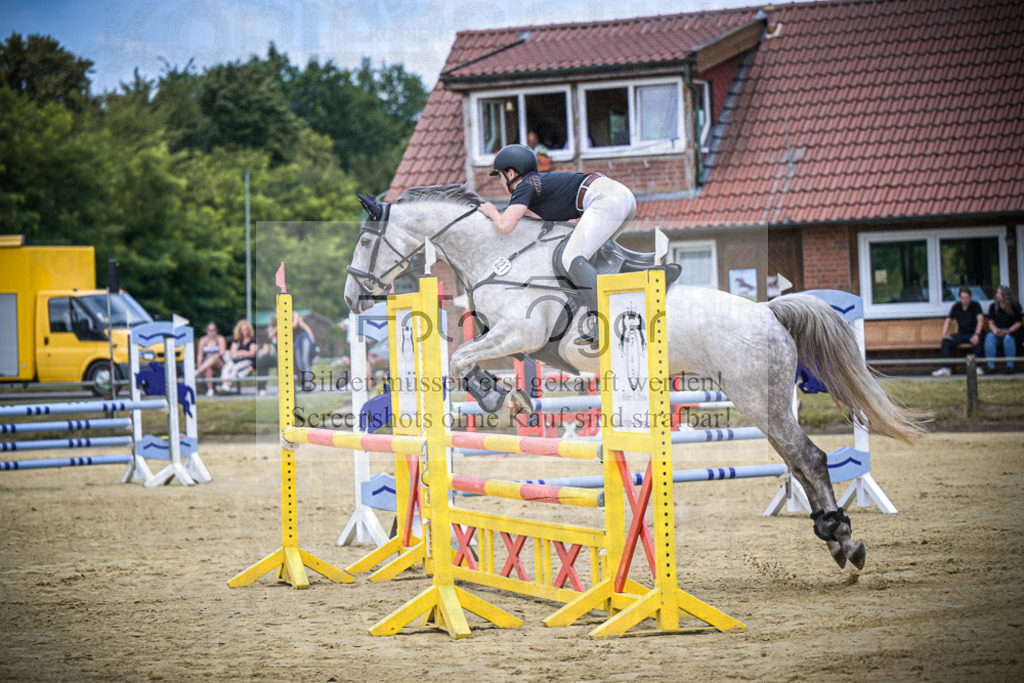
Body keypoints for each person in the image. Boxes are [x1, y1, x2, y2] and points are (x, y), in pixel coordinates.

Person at [477, 143, 637, 348]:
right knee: (592, 258)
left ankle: (602, 322)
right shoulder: (538, 184)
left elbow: (505, 226)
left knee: (572, 258)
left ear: (511, 173)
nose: (500, 182)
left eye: (500, 176)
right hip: (619, 197)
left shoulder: (525, 185)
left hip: (606, 199)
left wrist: (491, 212)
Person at [932, 286, 984, 377]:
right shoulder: (956, 306)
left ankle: (978, 368)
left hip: (973, 333)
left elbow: (981, 320)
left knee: (978, 341)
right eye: (963, 298)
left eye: (967, 297)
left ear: (970, 297)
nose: (965, 300)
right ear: (960, 298)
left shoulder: (976, 305)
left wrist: (976, 334)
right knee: (946, 341)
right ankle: (946, 368)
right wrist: (944, 334)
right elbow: (948, 320)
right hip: (961, 334)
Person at [984, 285, 1022, 375]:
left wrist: (1008, 331)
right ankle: (991, 367)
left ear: (1005, 296)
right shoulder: (993, 306)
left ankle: (1010, 366)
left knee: (1008, 339)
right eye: (997, 293)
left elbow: (1018, 323)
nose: (996, 295)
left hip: (1012, 331)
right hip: (998, 331)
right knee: (989, 337)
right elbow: (991, 322)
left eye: (999, 294)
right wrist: (995, 331)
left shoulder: (1015, 306)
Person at [219, 319, 259, 393]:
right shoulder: (237, 341)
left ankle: (227, 386)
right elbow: (232, 355)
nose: (244, 331)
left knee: (235, 369)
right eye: (242, 330)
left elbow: (252, 354)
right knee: (226, 368)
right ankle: (224, 384)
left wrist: (239, 352)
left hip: (247, 361)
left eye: (246, 329)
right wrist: (244, 352)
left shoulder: (253, 340)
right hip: (235, 361)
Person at [196, 322, 227, 396]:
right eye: (210, 330)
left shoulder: (220, 338)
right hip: (206, 364)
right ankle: (210, 390)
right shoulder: (203, 340)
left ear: (216, 330)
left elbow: (222, 352)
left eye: (214, 330)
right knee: (208, 367)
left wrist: (214, 356)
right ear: (207, 331)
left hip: (219, 362)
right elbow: (200, 355)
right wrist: (199, 365)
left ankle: (198, 371)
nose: (212, 332)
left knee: (214, 357)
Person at [253, 314, 278, 396]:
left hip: (280, 357)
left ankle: (254, 365)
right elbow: (266, 349)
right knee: (263, 362)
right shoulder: (269, 335)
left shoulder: (282, 334)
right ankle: (261, 388)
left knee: (263, 360)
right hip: (271, 357)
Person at [293, 313, 318, 379]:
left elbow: (295, 325)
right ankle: (303, 380)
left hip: (303, 339)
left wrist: (313, 344)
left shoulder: (295, 316)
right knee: (299, 362)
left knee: (305, 360)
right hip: (296, 342)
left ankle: (308, 380)